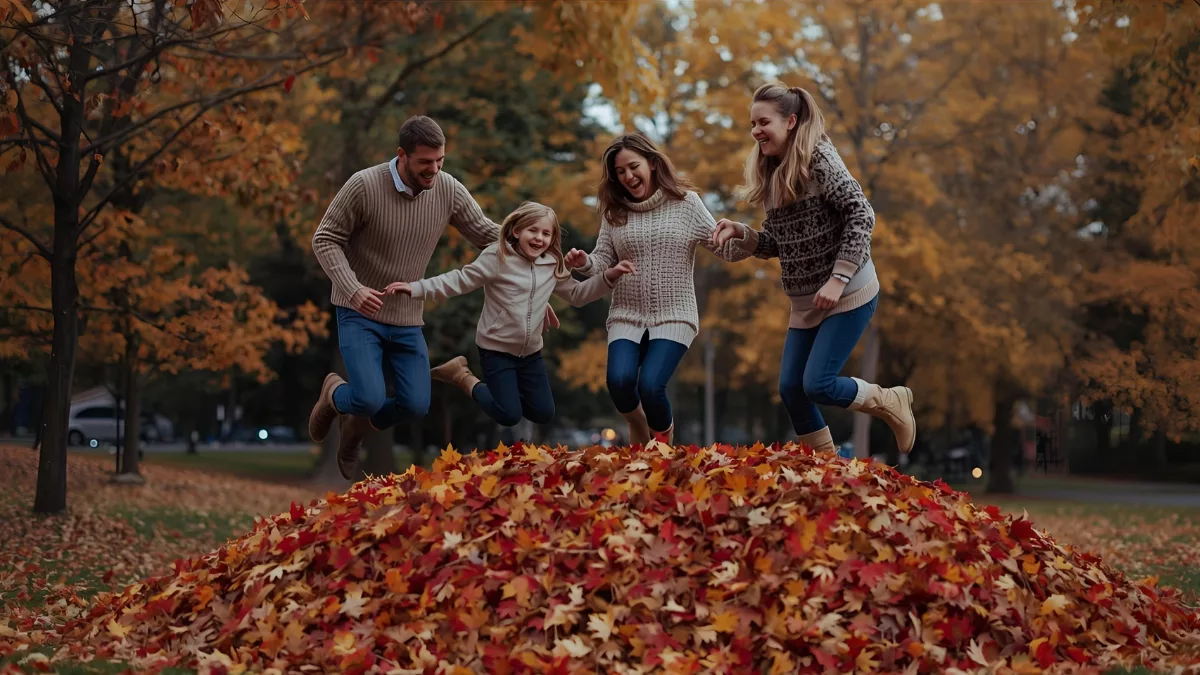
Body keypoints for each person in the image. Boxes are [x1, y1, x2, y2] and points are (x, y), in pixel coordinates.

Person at [307, 115, 557, 479]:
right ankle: (335, 396)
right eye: (426, 162)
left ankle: (356, 427)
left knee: (414, 405)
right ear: (402, 155)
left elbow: (492, 234)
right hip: (359, 310)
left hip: (407, 315)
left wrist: (532, 282)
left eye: (441, 161)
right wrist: (353, 288)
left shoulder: (448, 188)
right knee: (369, 398)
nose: (435, 170)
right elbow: (325, 239)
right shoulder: (363, 185)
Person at [712, 82, 916, 455]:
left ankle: (889, 400)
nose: (756, 131)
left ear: (790, 121)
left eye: (763, 122)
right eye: (752, 124)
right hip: (807, 303)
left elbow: (861, 212)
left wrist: (839, 278)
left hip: (850, 291)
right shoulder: (774, 174)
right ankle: (826, 470)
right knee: (792, 388)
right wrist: (741, 232)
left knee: (817, 384)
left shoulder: (819, 159)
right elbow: (777, 244)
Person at [565, 133, 753, 446]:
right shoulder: (615, 212)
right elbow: (601, 262)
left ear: (652, 163)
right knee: (619, 381)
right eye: (620, 172)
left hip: (675, 313)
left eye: (633, 167)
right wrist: (583, 262)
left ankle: (662, 448)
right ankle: (639, 425)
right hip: (627, 311)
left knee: (651, 385)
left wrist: (746, 235)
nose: (627, 176)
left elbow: (727, 252)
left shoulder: (685, 204)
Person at [386, 202, 636, 428]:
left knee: (543, 413)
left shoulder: (551, 263)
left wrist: (608, 277)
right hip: (496, 349)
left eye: (546, 233)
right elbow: (458, 280)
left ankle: (486, 386)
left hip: (530, 353)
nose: (539, 238)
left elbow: (578, 295)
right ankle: (461, 376)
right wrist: (416, 288)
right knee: (508, 414)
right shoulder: (497, 257)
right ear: (516, 231)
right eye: (533, 231)